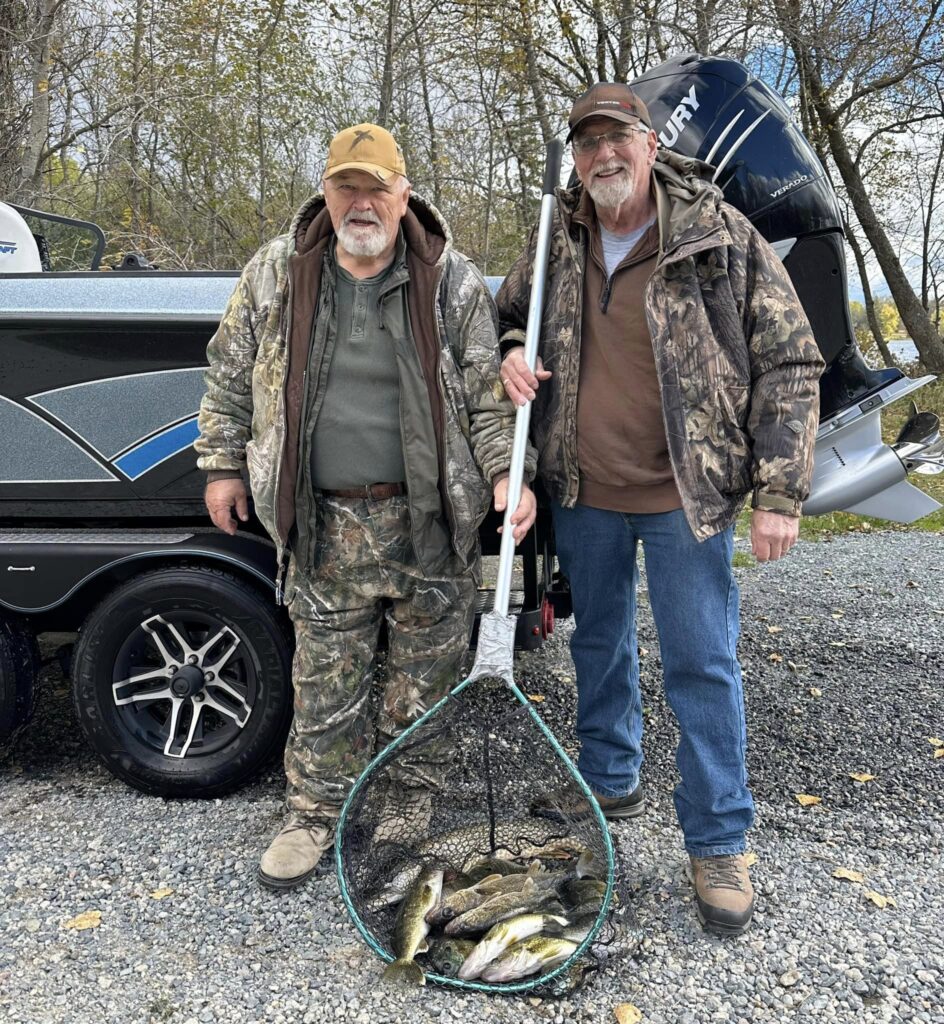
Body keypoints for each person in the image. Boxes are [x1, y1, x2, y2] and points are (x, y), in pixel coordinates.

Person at [495, 83, 824, 935]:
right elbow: (504, 316)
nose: (603, 155)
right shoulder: (554, 238)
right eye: (586, 143)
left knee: (701, 663)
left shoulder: (718, 233)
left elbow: (791, 362)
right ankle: (609, 780)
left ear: (650, 143)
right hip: (587, 495)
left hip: (688, 498)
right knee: (597, 646)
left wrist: (781, 490)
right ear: (574, 158)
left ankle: (718, 841)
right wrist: (509, 353)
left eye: (617, 138)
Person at [196, 123, 536, 890]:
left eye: (375, 188)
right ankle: (313, 813)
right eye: (345, 186)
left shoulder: (450, 281)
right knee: (326, 683)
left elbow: (490, 398)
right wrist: (221, 465)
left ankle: (405, 811)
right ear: (325, 192)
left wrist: (509, 476)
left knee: (426, 679)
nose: (360, 203)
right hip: (322, 521)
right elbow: (228, 371)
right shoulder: (277, 273)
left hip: (429, 521)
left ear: (403, 194)